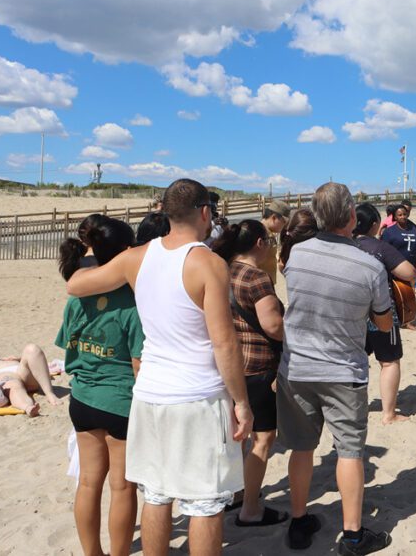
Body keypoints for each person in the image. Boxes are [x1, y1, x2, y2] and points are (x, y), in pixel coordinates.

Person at [66, 178, 253, 555]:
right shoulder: (209, 263)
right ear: (205, 212)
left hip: (150, 393)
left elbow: (75, 285)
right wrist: (241, 402)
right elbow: (224, 343)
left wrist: (87, 257)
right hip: (197, 395)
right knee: (204, 502)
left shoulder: (136, 257)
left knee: (156, 495)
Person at [277, 183, 393, 555]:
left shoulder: (296, 254)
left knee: (301, 448)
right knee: (350, 451)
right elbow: (385, 323)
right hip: (343, 369)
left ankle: (299, 520)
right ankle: (353, 535)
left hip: (297, 366)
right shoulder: (370, 265)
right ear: (351, 216)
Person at [55, 215, 142, 556]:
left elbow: (67, 344)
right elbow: (138, 361)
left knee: (88, 482)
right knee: (122, 487)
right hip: (121, 401)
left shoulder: (77, 297)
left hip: (83, 398)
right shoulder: (131, 301)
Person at [211, 219, 288, 527]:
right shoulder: (256, 277)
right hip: (257, 366)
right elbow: (273, 326)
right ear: (259, 243)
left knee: (236, 437)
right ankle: (251, 508)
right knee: (262, 438)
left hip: (225, 366)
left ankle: (236, 493)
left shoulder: (220, 271)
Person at [353, 202, 416, 424]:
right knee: (389, 362)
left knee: (354, 360)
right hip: (380, 313)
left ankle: (353, 408)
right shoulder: (379, 247)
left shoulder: (345, 246)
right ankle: (388, 414)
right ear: (374, 225)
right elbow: (409, 272)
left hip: (350, 314)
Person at [0, 344, 62, 416]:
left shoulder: (6, 359)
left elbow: (34, 361)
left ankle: (49, 393)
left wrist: (18, 359)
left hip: (21, 371)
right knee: (13, 384)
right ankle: (28, 407)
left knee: (32, 349)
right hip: (0, 375)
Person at [381, 202, 416, 326]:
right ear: (395, 217)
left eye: (404, 214)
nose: (403, 217)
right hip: (394, 268)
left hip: (411, 267)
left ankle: (408, 321)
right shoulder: (389, 232)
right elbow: (383, 250)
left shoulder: (413, 228)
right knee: (395, 294)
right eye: (400, 215)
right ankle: (395, 320)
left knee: (410, 294)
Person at [260, 200, 290, 280]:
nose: (285, 225)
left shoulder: (269, 233)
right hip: (261, 282)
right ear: (274, 218)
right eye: (284, 222)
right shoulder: (260, 234)